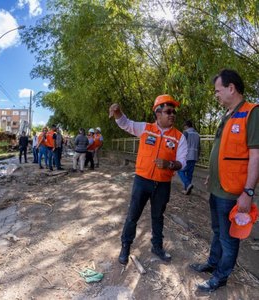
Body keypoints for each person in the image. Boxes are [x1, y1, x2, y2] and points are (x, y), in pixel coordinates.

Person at [190, 69, 259, 292]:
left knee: (229, 238)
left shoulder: (252, 113)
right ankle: (212, 264)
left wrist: (248, 192)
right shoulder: (227, 114)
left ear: (231, 88)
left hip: (234, 193)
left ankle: (221, 276)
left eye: (218, 90)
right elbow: (225, 151)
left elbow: (256, 155)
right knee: (218, 231)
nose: (216, 95)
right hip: (218, 188)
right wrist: (214, 172)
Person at [109, 95, 188, 265]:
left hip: (162, 184)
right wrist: (117, 112)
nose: (172, 114)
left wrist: (169, 164)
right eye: (168, 111)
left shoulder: (179, 137)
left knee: (158, 217)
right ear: (158, 113)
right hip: (142, 181)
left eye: (173, 112)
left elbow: (183, 163)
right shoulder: (145, 129)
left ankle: (157, 247)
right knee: (133, 215)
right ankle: (125, 246)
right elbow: (125, 123)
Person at [177, 120, 200, 195]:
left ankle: (188, 184)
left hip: (186, 155)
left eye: (184, 127)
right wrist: (198, 156)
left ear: (186, 126)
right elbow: (199, 146)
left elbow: (182, 144)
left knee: (180, 170)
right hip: (194, 156)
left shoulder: (186, 133)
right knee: (189, 173)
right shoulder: (197, 134)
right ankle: (187, 189)